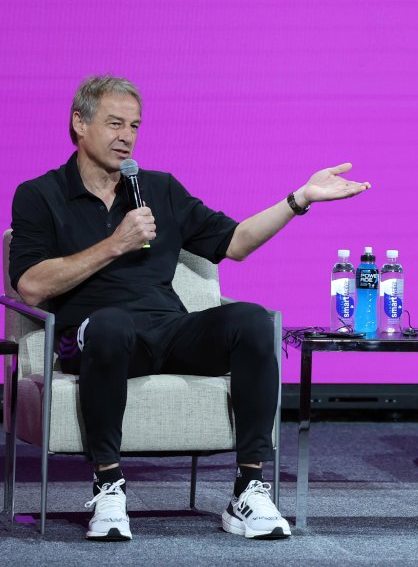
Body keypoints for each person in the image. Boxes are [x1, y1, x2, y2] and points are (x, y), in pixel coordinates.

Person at [9, 75, 370, 541]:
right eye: (114, 123)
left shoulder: (158, 189)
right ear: (79, 123)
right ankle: (108, 486)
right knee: (112, 325)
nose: (126, 137)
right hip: (97, 336)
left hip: (168, 331)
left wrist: (298, 200)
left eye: (134, 126)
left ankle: (248, 490)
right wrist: (115, 244)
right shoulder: (40, 195)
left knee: (252, 320)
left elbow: (236, 243)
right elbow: (31, 287)